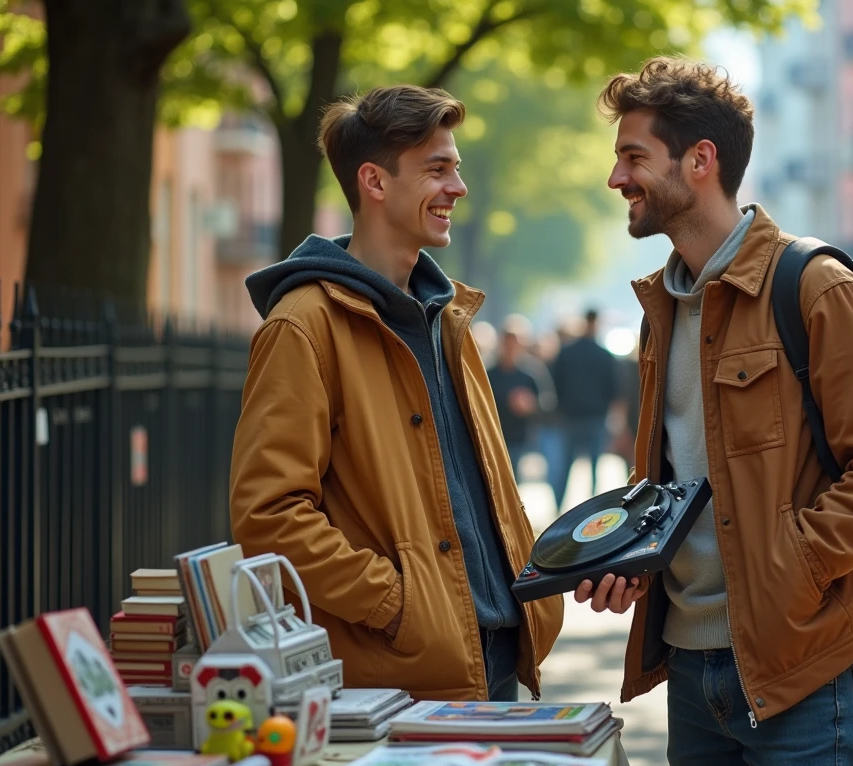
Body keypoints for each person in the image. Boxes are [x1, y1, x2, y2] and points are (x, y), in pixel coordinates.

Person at [576, 56, 853, 766]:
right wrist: (633, 553)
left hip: (800, 664)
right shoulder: (661, 308)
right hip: (687, 666)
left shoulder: (815, 286)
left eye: (633, 157)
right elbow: (686, 480)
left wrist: (788, 567)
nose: (617, 178)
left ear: (700, 161)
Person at [229, 85, 562, 702]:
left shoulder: (449, 319)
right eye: (437, 170)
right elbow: (269, 516)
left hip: (494, 658)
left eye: (456, 168)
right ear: (374, 182)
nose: (458, 187)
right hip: (403, 675)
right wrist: (398, 605)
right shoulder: (303, 325)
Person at [548, 309, 622, 507]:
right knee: (594, 466)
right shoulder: (604, 355)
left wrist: (562, 405)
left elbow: (555, 383)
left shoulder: (567, 352)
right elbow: (614, 389)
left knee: (565, 465)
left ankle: (558, 506)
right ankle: (593, 507)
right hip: (595, 417)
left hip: (570, 417)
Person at [486, 316, 556, 481]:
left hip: (520, 436)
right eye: (507, 342)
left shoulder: (531, 372)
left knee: (513, 479)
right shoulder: (489, 373)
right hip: (494, 435)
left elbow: (548, 402)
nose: (511, 347)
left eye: (515, 343)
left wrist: (530, 404)